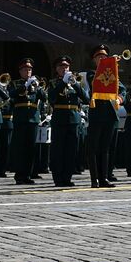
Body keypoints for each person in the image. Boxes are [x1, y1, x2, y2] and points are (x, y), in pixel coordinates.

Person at [87, 46, 123, 188]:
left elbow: (122, 89)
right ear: (94, 60)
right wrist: (109, 64)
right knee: (93, 148)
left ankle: (104, 178)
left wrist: (120, 99)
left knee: (105, 148)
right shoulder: (91, 74)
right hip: (97, 113)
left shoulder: (112, 72)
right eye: (99, 57)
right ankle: (94, 179)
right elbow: (97, 83)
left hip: (110, 113)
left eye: (105, 57)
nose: (102, 59)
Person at [48, 57, 87, 187]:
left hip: (74, 119)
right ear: (56, 69)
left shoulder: (75, 82)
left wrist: (75, 84)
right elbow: (52, 98)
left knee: (71, 150)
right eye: (61, 66)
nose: (64, 69)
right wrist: (63, 83)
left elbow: (86, 99)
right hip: (60, 118)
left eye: (67, 67)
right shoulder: (53, 83)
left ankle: (67, 177)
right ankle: (58, 178)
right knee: (58, 149)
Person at [8, 59, 44, 184]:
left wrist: (38, 86)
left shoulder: (36, 84)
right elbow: (11, 94)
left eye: (29, 69)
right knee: (20, 148)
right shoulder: (15, 83)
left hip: (33, 118)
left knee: (31, 148)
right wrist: (25, 86)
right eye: (25, 69)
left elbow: (44, 97)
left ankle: (28, 174)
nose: (27, 71)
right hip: (20, 118)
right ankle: (19, 175)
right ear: (20, 71)